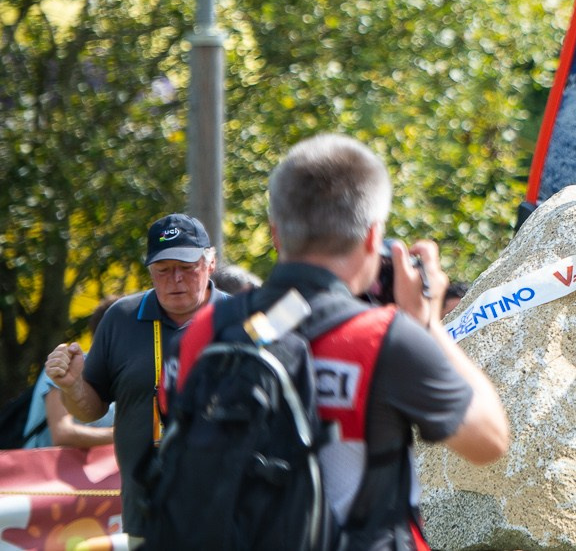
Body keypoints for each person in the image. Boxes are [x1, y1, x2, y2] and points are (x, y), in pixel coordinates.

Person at [169, 133, 508, 550]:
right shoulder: (384, 338)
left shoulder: (208, 331)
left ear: (276, 232)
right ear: (371, 236)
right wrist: (428, 325)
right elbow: (489, 440)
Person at [42, 215, 226, 533]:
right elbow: (90, 409)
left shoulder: (241, 318)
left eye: (186, 267)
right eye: (163, 270)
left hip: (230, 510)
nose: (175, 280)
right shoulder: (122, 319)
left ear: (210, 263)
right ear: (149, 270)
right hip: (147, 513)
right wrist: (72, 387)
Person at [22, 298, 119, 450]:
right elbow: (62, 433)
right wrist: (125, 435)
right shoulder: (68, 363)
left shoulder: (124, 376)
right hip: (44, 472)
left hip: (96, 472)